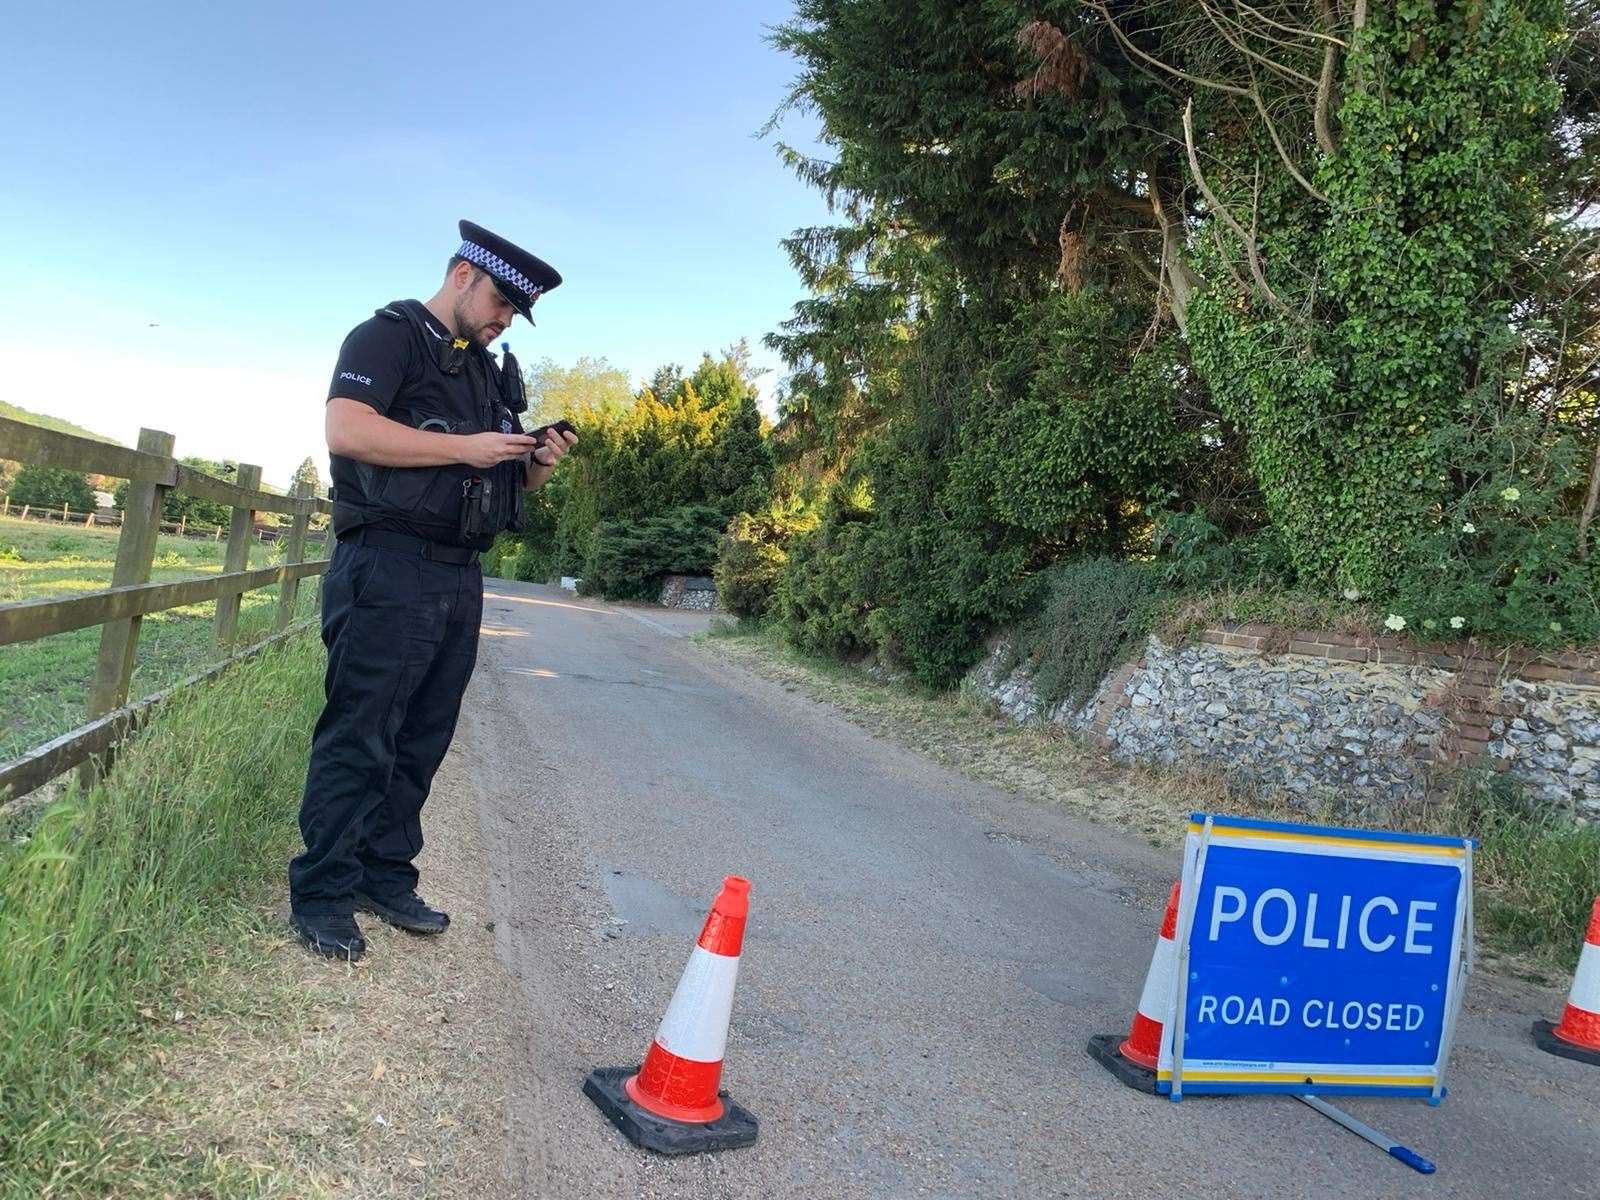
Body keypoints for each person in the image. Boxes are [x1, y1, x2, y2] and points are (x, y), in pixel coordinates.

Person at [288, 220, 575, 961]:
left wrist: (534, 461)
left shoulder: (482, 369)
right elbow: (347, 430)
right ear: (461, 276)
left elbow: (495, 478)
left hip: (457, 573)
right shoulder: (386, 337)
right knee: (363, 730)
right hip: (386, 564)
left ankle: (384, 875)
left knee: (421, 737)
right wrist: (464, 448)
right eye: (502, 303)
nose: (505, 320)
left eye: (514, 313)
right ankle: (322, 891)